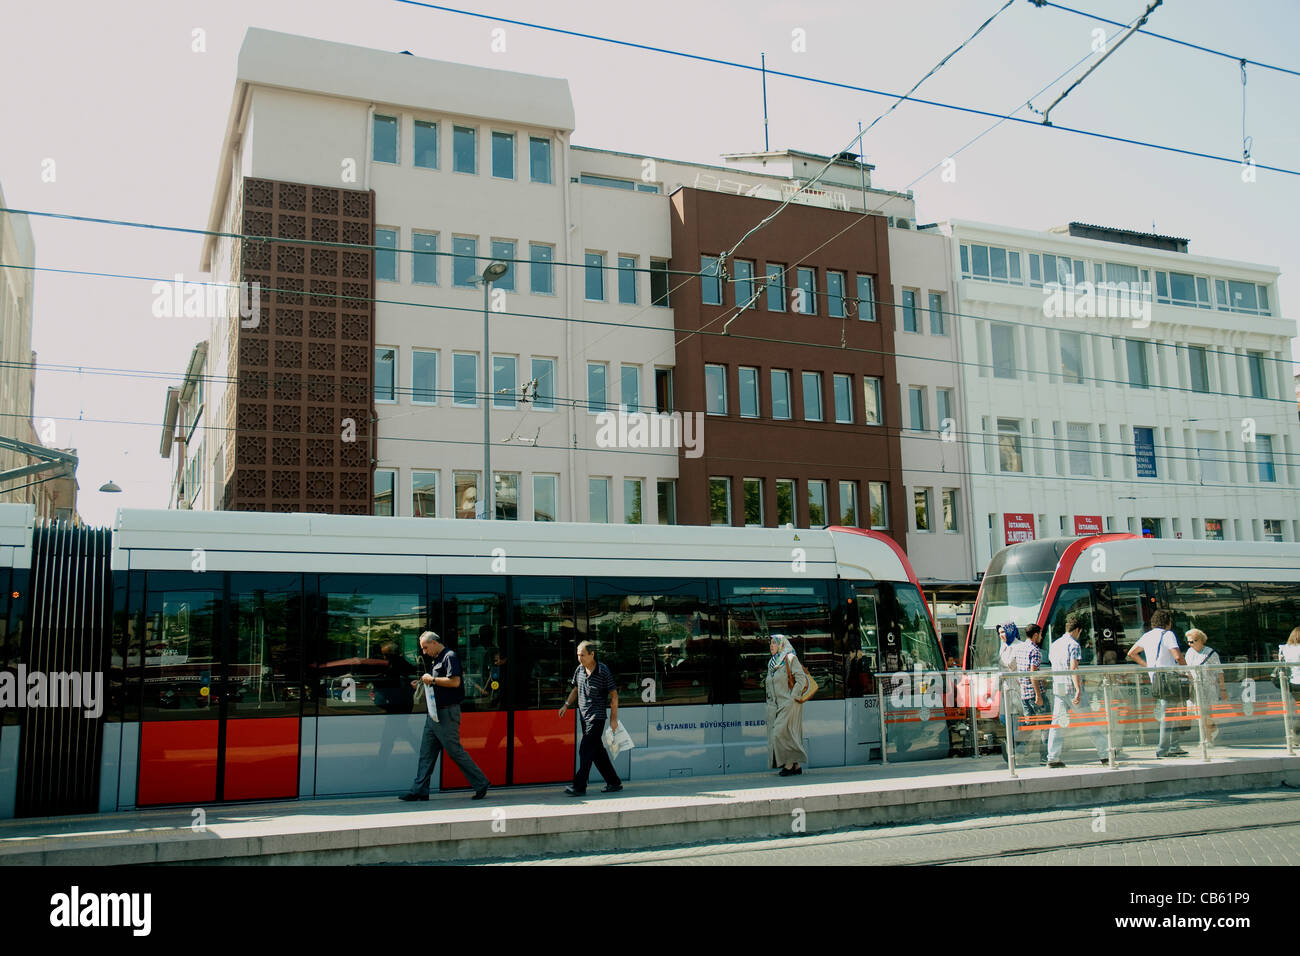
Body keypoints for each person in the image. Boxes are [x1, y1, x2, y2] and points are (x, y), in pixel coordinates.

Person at [400, 631, 490, 801]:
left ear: (434, 643)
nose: (425, 652)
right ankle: (420, 789)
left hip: (446, 713)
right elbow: (440, 682)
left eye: (425, 648)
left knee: (454, 751)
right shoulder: (437, 659)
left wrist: (432, 680)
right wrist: (421, 683)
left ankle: (481, 782)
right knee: (426, 753)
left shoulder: (449, 656)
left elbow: (454, 681)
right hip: (434, 713)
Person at [558, 640, 622, 796]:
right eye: (578, 655)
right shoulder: (579, 670)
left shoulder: (603, 671)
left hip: (597, 717)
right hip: (583, 717)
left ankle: (579, 786)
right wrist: (566, 705)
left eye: (583, 655)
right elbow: (575, 689)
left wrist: (614, 719)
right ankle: (614, 782)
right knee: (597, 751)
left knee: (585, 749)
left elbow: (614, 696)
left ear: (592, 654)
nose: (580, 658)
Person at [1046, 614, 1110, 767]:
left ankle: (1053, 758)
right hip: (1071, 688)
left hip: (1058, 688)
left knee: (1057, 724)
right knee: (1089, 722)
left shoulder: (1054, 644)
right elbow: (1073, 668)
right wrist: (1078, 690)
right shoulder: (1073, 645)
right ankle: (1105, 754)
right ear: (1078, 630)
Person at [1126, 609, 1188, 758]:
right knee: (1170, 713)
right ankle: (1163, 749)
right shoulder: (1168, 634)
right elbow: (1177, 656)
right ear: (1167, 622)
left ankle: (1174, 746)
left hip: (1156, 678)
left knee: (1172, 712)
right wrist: (1188, 670)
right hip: (1170, 678)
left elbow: (1131, 653)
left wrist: (1147, 666)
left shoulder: (1147, 636)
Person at [766, 634, 809, 776]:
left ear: (782, 644)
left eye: (774, 643)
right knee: (787, 734)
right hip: (776, 705)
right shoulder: (772, 663)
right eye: (770, 643)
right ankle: (796, 766)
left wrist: (792, 698)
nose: (771, 645)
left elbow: (801, 679)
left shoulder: (790, 658)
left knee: (779, 732)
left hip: (789, 703)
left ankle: (789, 765)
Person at [1010, 623, 1046, 764]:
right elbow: (1032, 674)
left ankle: (1015, 750)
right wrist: (1038, 694)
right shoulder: (1035, 651)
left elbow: (1016, 669)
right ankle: (1045, 757)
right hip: (1035, 693)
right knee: (1046, 725)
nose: (1041, 637)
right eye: (1041, 634)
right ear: (1035, 635)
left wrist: (1022, 683)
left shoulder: (1019, 649)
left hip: (1024, 693)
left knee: (1029, 725)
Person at [1184, 628, 1226, 744]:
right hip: (1195, 687)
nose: (1189, 644)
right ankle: (1209, 734)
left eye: (1192, 641)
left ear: (1201, 640)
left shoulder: (1211, 653)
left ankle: (1208, 737)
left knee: (1206, 713)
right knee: (1199, 713)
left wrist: (1222, 689)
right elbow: (1187, 670)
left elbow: (1220, 672)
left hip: (1208, 687)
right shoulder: (1189, 652)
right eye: (1188, 642)